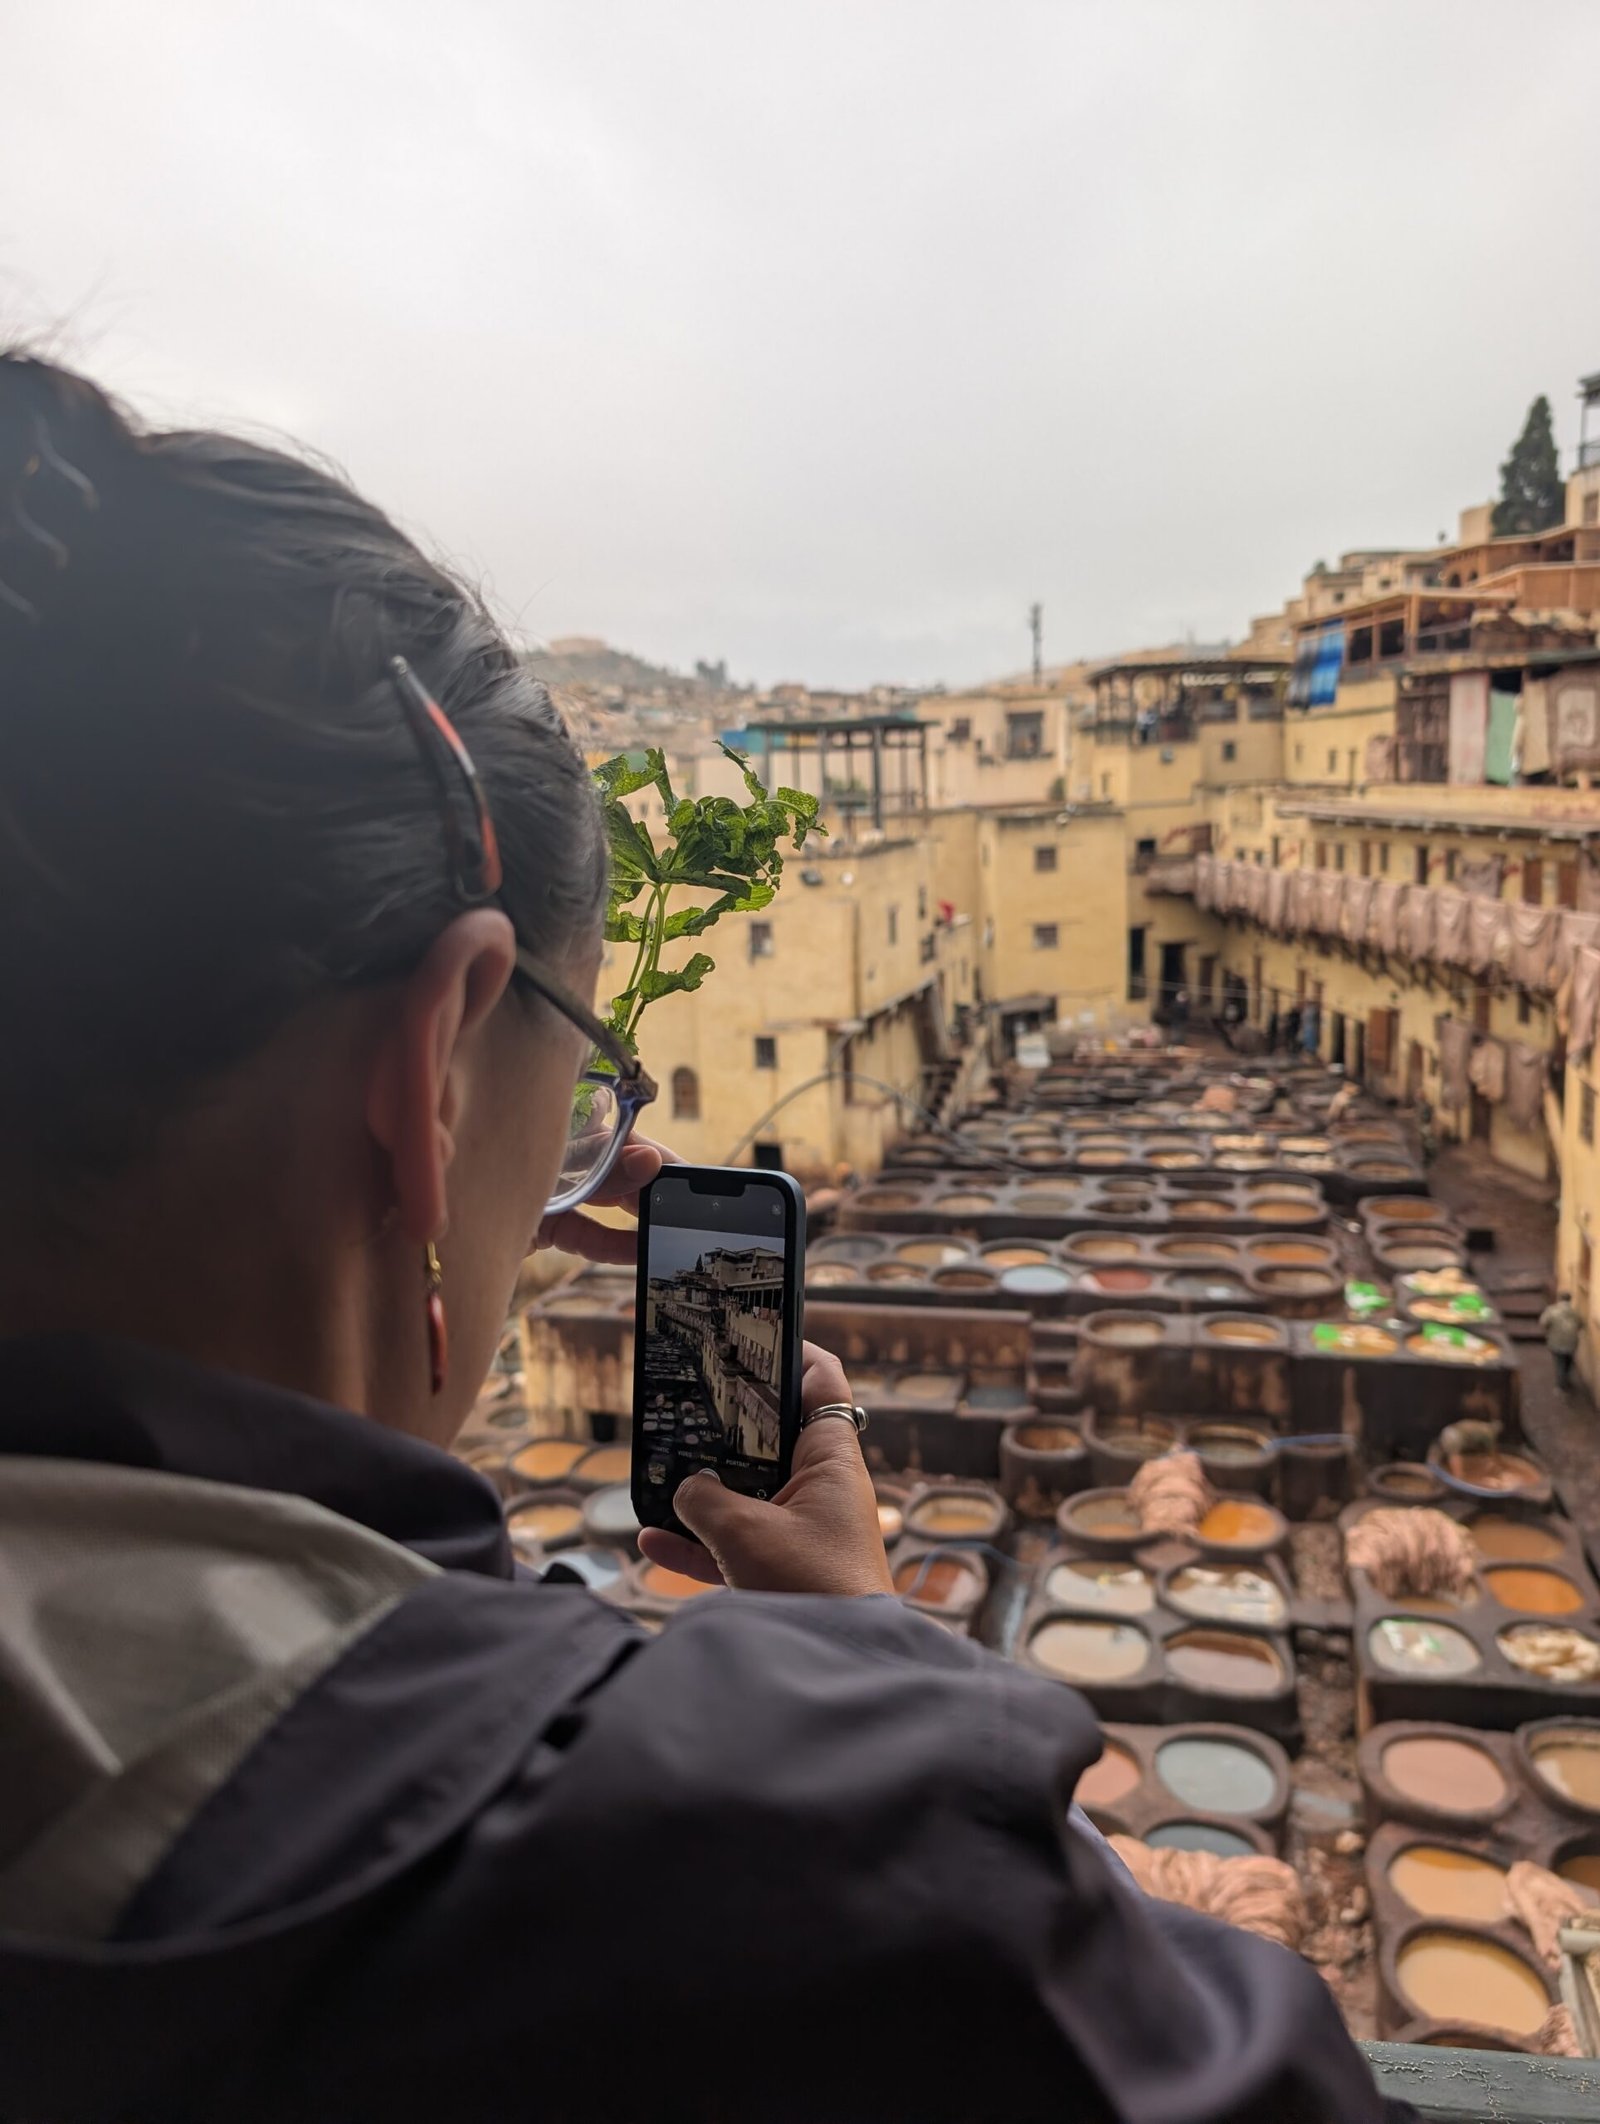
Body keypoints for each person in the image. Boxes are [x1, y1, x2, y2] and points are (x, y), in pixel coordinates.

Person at [0, 354, 1407, 2122]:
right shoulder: (760, 1857)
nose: (578, 1182)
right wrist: (872, 1675)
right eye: (580, 1090)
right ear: (432, 1068)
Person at [1541, 1290, 1583, 1393]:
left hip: (1556, 1341)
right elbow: (1581, 1324)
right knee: (1568, 1361)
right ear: (1570, 1300)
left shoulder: (1552, 1310)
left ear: (1559, 1299)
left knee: (1560, 1363)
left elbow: (1543, 1322)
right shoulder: (1575, 1312)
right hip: (1572, 1342)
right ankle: (1567, 1380)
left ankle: (1560, 1386)